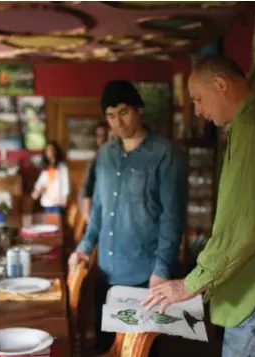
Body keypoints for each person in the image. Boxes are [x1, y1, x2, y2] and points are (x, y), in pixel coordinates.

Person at [142, 55, 255, 357]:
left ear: (220, 84)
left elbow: (242, 227)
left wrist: (191, 283)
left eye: (199, 99)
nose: (198, 111)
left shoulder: (254, 130)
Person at [69, 80, 187, 353]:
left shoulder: (166, 154)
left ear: (139, 110)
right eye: (110, 116)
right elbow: (97, 209)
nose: (118, 122)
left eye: (124, 112)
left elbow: (173, 218)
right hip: (107, 274)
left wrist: (161, 270)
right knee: (106, 348)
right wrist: (84, 248)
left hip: (146, 278)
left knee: (139, 353)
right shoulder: (105, 155)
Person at [79, 122, 109, 221]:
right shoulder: (96, 159)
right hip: (98, 211)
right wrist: (88, 216)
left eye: (105, 135)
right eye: (99, 136)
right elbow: (86, 188)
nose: (102, 139)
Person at [31, 140, 70, 214]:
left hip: (58, 201)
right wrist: (37, 190)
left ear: (56, 151)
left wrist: (64, 197)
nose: (49, 152)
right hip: (47, 201)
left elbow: (65, 183)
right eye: (47, 150)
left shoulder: (62, 167)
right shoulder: (45, 169)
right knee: (48, 222)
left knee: (56, 222)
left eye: (51, 149)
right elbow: (40, 183)